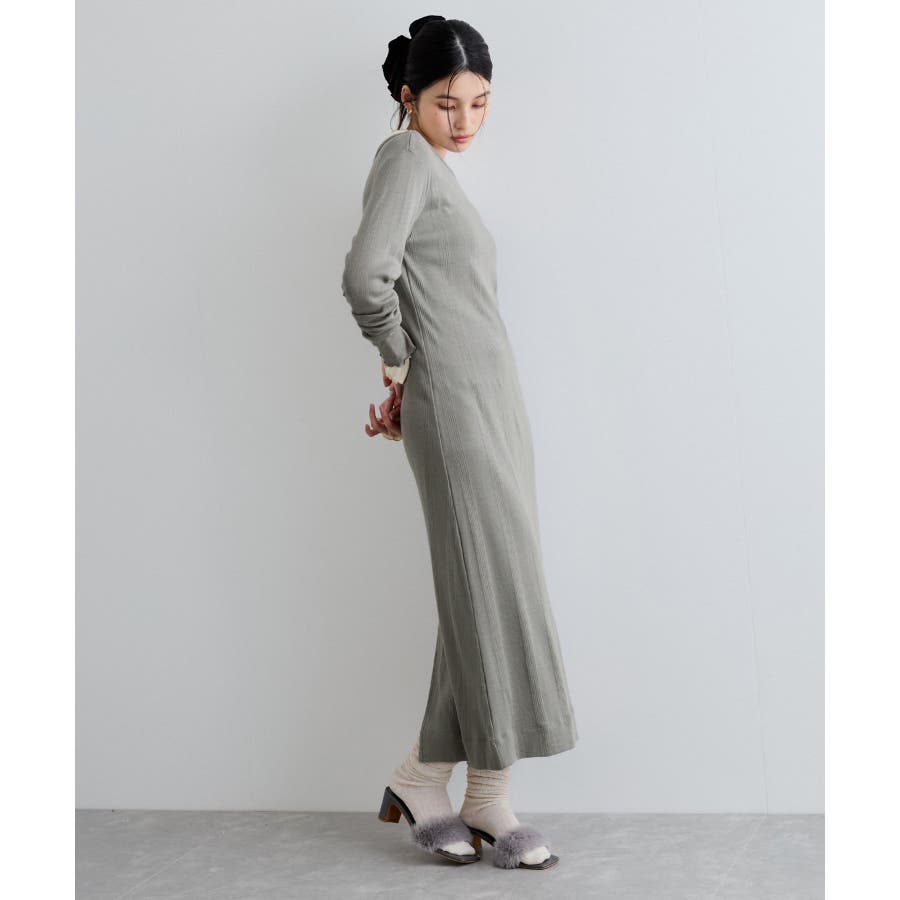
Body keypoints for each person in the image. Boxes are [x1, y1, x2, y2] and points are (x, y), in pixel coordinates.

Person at [341, 15, 578, 871]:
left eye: (480, 102)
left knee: (483, 587)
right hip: (458, 408)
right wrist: (399, 364)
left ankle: (424, 778)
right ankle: (491, 796)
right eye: (448, 103)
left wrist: (412, 378)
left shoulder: (434, 169)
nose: (466, 119)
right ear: (409, 98)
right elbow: (365, 275)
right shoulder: (405, 157)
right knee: (494, 589)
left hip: (489, 404)